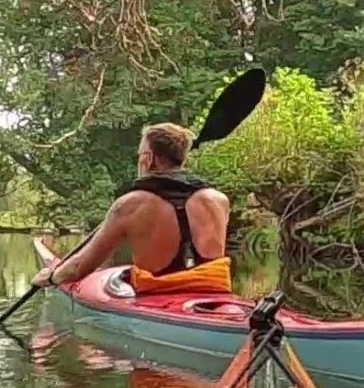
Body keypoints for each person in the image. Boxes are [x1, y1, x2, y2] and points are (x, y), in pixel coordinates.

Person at [30, 122, 233, 294]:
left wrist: (52, 277)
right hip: (214, 298)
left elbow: (79, 267)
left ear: (148, 158)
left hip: (158, 298)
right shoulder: (219, 200)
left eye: (140, 154)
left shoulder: (129, 206)